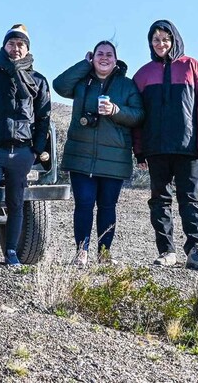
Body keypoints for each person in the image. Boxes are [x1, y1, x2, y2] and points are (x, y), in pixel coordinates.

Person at [132, 20, 198, 271]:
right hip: (156, 148)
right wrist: (139, 149)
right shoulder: (143, 74)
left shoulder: (193, 68)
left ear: (175, 40)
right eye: (156, 39)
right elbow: (138, 116)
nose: (161, 44)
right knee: (159, 200)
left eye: (165, 39)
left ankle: (195, 250)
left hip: (188, 149)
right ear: (150, 43)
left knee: (189, 199)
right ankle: (166, 251)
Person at [53, 41, 144, 267]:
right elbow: (59, 86)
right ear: (92, 57)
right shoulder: (83, 82)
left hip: (114, 159)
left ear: (116, 59)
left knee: (107, 207)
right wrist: (83, 65)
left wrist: (116, 111)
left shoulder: (126, 85)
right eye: (99, 54)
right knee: (83, 204)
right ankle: (81, 251)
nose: (104, 58)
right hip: (81, 156)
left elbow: (139, 115)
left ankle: (104, 253)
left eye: (109, 55)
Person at [0, 24, 51, 268]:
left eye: (20, 45)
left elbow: (44, 118)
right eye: (11, 44)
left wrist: (35, 151)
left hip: (22, 152)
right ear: (4, 46)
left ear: (27, 49)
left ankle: (11, 253)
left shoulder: (37, 80)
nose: (15, 49)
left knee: (15, 203)